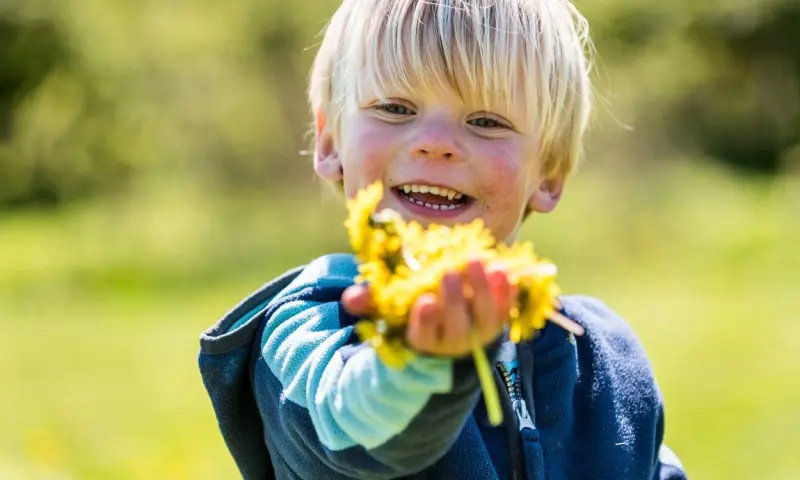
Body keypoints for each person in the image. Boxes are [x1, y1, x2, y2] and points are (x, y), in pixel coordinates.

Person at [197, 0, 688, 478]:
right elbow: (347, 425)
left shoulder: (604, 360)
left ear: (550, 171)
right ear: (330, 142)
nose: (436, 143)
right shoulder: (311, 322)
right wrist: (418, 362)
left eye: (486, 121)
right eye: (395, 108)